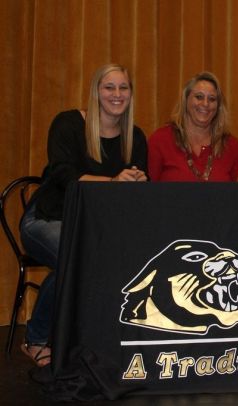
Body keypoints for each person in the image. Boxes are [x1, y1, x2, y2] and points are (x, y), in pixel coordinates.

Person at [19, 63, 148, 367]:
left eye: (123, 88)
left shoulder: (135, 136)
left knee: (98, 255)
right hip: (47, 218)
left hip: (94, 227)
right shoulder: (68, 123)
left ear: (131, 94)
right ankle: (37, 338)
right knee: (77, 255)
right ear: (95, 91)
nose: (117, 94)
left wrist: (140, 181)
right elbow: (65, 176)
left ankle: (92, 337)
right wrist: (113, 182)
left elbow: (137, 189)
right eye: (109, 87)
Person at [147, 72, 238, 181]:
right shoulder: (160, 140)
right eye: (199, 97)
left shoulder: (230, 145)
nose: (205, 104)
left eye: (212, 99)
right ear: (186, 100)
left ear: (218, 107)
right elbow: (147, 188)